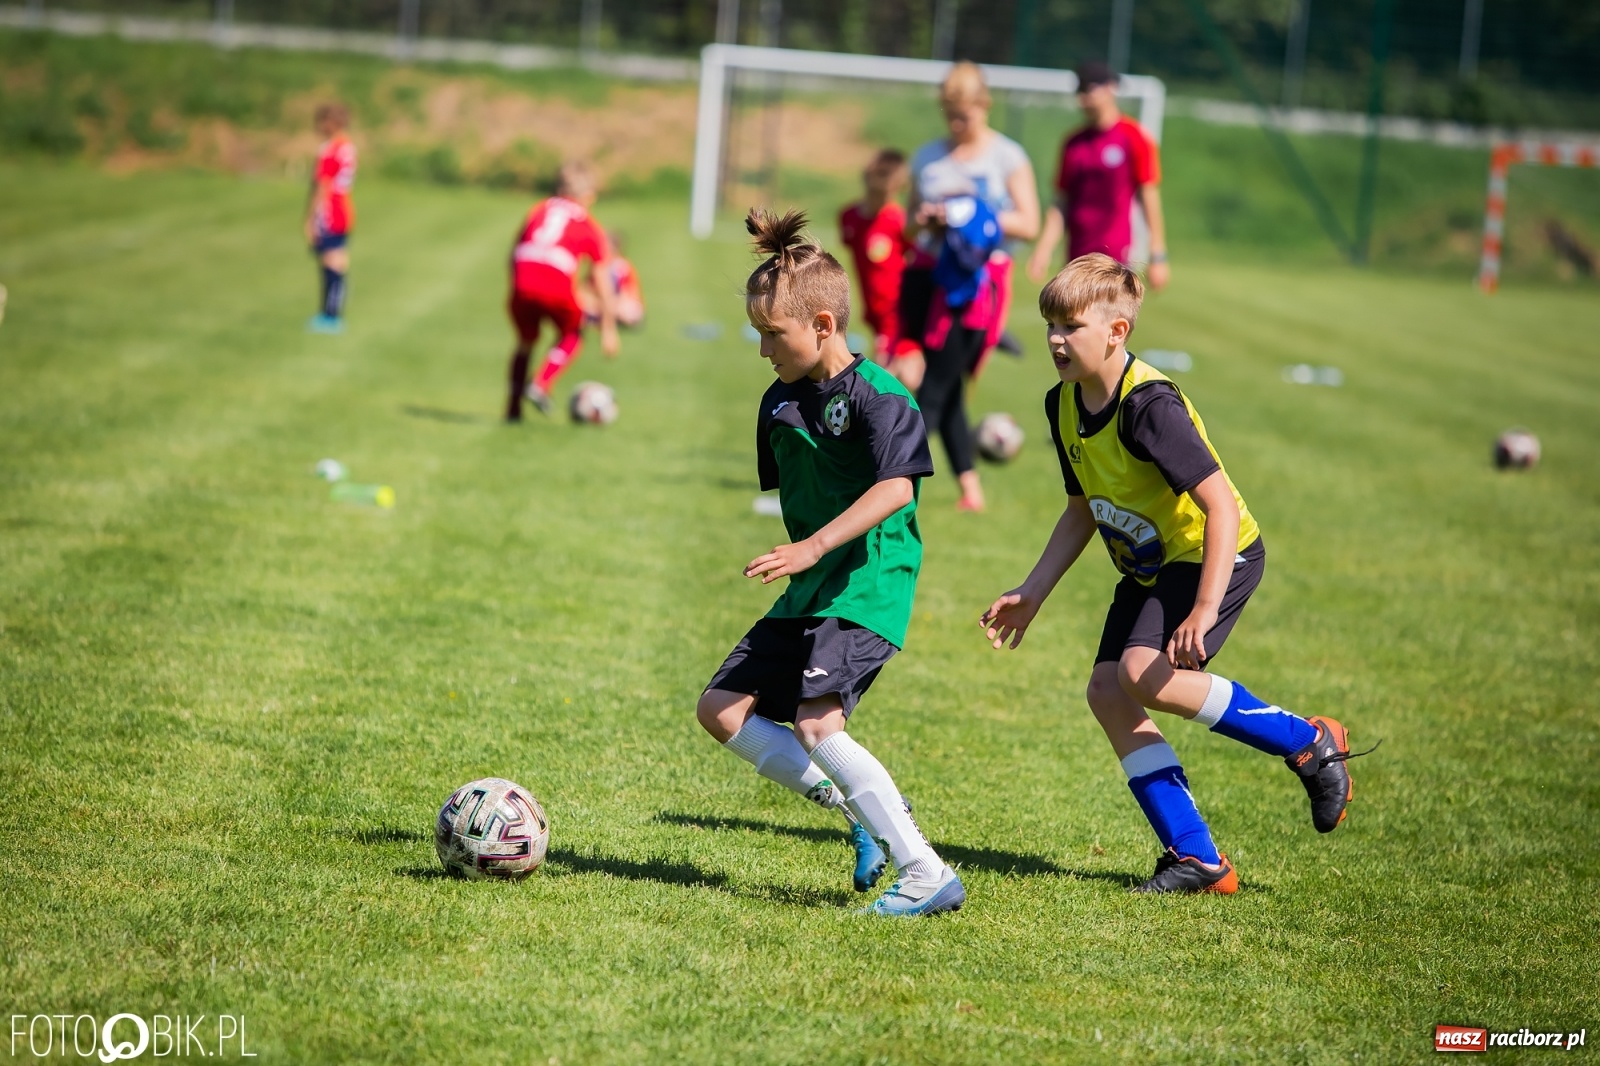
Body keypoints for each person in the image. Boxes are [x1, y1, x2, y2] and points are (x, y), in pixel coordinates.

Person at [981, 255, 1374, 893]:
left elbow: (1219, 505)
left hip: (1214, 552)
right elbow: (1081, 509)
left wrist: (1204, 608)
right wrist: (1032, 592)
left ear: (1116, 332)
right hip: (1151, 564)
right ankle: (1196, 856)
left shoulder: (1149, 405)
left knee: (1141, 675)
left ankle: (1308, 740)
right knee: (1108, 692)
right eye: (1050, 324)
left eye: (1071, 325)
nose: (1055, 338)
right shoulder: (1061, 405)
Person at [695, 208, 965, 918]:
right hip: (813, 586)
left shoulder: (879, 397)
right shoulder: (777, 404)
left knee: (818, 723)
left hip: (868, 579)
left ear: (822, 324)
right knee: (720, 709)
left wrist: (814, 547)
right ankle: (859, 810)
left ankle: (925, 870)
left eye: (772, 335)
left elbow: (897, 486)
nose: (762, 352)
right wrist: (808, 556)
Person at [904, 62, 1040, 512]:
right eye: (950, 115)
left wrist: (970, 218)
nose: (957, 124)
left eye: (965, 115)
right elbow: (909, 225)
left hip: (977, 286)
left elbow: (1029, 222)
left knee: (935, 388)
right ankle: (970, 490)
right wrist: (927, 220)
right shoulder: (927, 158)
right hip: (928, 278)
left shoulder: (1007, 157)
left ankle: (890, 482)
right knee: (950, 386)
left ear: (985, 106)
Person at [1028, 61, 1169, 291]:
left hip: (1116, 256)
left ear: (1110, 87)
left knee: (1107, 320)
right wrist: (1043, 249)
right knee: (1075, 322)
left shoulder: (1133, 137)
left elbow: (1149, 196)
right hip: (1077, 256)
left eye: (1088, 89)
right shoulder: (1073, 143)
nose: (1083, 98)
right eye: (1080, 91)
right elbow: (1062, 202)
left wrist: (1158, 253)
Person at [505, 162, 620, 421]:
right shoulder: (588, 224)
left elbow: (514, 250)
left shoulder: (539, 209)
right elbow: (601, 277)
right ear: (589, 195)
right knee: (574, 331)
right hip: (555, 281)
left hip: (522, 279)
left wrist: (517, 286)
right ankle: (541, 383)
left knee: (525, 343)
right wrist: (608, 328)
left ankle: (512, 409)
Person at [837, 149, 911, 364]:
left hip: (896, 309)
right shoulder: (848, 217)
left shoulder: (899, 221)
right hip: (871, 307)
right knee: (902, 373)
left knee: (885, 370)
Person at [305, 104, 356, 334]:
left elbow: (322, 185)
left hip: (331, 211)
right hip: (344, 208)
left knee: (332, 262)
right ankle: (331, 313)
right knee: (337, 260)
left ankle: (331, 315)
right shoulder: (348, 146)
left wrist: (310, 218)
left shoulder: (331, 149)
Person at [579, 230, 645, 329]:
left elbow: (625, 295)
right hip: (601, 302)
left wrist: (606, 303)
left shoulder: (621, 267)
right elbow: (586, 289)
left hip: (620, 303)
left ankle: (601, 318)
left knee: (626, 309)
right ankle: (602, 318)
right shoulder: (598, 266)